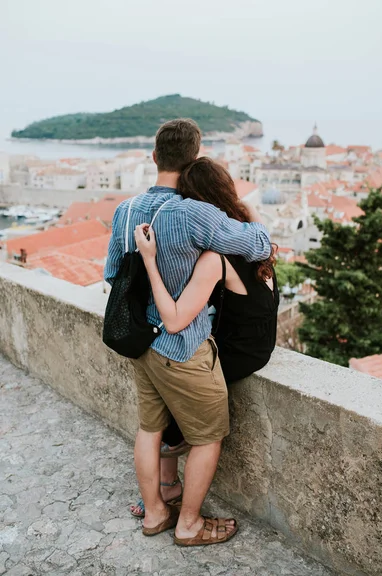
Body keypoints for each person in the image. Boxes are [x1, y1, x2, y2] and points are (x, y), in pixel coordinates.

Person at [105, 119, 272, 546]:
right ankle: (190, 524)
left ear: (155, 157)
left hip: (140, 343)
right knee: (208, 436)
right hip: (182, 345)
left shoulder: (125, 210)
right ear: (194, 159)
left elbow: (111, 275)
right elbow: (258, 245)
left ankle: (156, 513)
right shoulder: (197, 213)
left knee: (149, 430)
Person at [131, 156, 279, 518]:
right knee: (173, 387)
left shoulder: (215, 258)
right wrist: (244, 207)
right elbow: (262, 236)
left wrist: (150, 260)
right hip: (261, 344)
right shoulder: (254, 242)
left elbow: (176, 320)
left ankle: (169, 493)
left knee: (173, 386)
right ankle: (168, 486)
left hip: (236, 351)